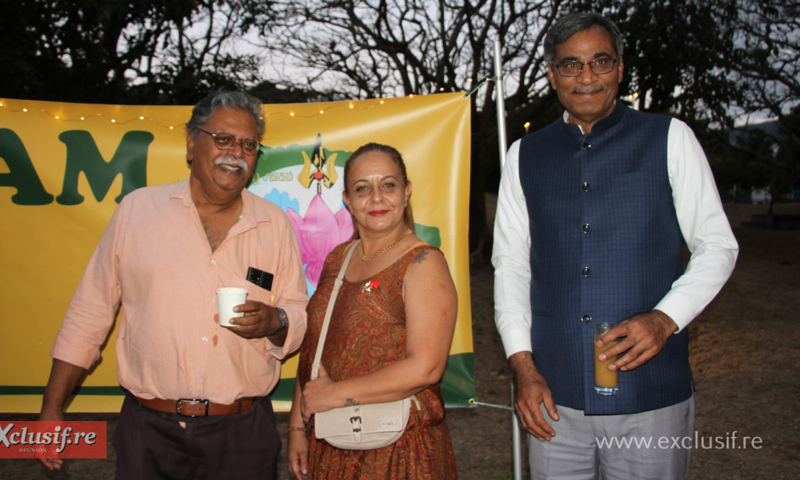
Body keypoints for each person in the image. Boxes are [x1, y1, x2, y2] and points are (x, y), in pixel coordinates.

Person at [492, 12, 739, 480]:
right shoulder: (524, 156)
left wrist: (665, 320)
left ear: (621, 68)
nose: (586, 77)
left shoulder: (670, 138)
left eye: (600, 62)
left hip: (651, 392)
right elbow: (510, 266)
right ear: (552, 74)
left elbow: (717, 246)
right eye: (570, 65)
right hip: (553, 396)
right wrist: (523, 368)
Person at [38, 90, 308, 479]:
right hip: (149, 434)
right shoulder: (138, 211)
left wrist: (275, 321)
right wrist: (52, 407)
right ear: (190, 143)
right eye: (223, 139)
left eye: (249, 145)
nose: (236, 152)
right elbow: (90, 312)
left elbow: (297, 312)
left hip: (243, 436)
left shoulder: (274, 224)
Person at [286, 143, 458, 479]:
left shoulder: (424, 263)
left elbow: (426, 368)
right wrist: (296, 427)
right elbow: (314, 349)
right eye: (363, 188)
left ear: (406, 192)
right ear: (347, 200)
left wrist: (334, 395)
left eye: (388, 185)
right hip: (330, 439)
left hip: (398, 448)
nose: (376, 198)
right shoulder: (338, 258)